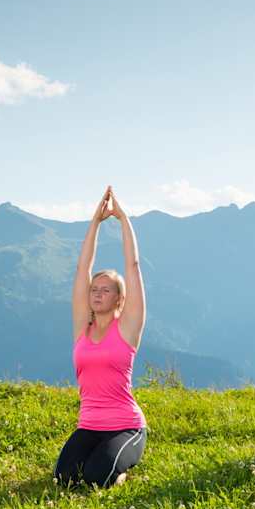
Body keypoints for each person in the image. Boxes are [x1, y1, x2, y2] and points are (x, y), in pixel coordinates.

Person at [55, 187, 147, 487]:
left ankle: (120, 467)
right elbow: (83, 268)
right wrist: (94, 222)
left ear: (120, 298)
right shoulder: (83, 327)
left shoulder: (128, 327)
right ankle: (101, 462)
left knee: (97, 478)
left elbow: (132, 266)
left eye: (105, 289)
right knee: (64, 479)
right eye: (94, 288)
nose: (96, 292)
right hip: (89, 425)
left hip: (126, 426)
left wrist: (122, 219)